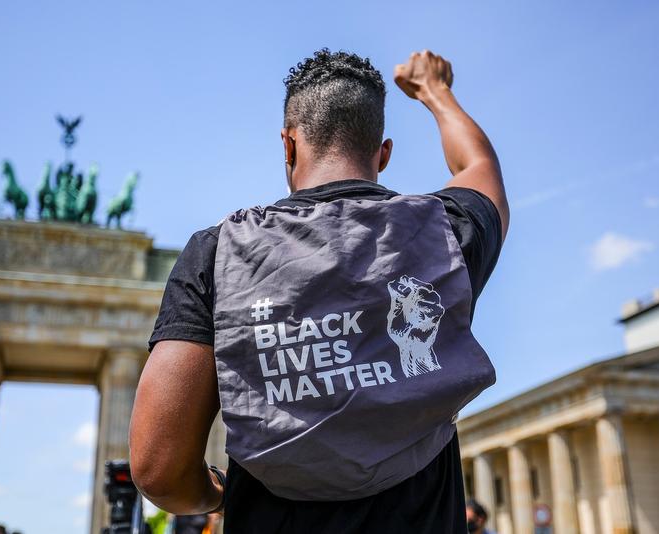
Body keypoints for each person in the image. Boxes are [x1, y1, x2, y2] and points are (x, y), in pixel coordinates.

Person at [130, 48, 509, 533]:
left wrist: (219, 494)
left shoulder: (220, 252)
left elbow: (158, 469)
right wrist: (434, 91)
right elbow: (478, 165)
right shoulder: (442, 236)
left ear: (288, 145)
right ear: (383, 154)